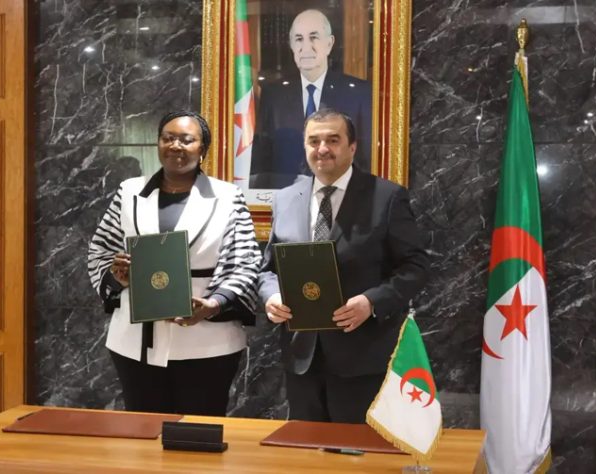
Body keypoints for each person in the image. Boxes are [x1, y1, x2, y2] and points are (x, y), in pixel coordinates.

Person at [258, 108, 429, 423]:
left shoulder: (387, 196)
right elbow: (268, 268)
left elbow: (415, 266)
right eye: (314, 141)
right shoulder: (285, 199)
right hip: (301, 357)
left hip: (362, 356)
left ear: (352, 147)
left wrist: (371, 302)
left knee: (356, 449)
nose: (322, 149)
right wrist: (272, 296)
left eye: (333, 140)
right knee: (306, 446)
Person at [88, 111, 261, 416]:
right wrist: (117, 277)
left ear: (202, 148)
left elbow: (245, 261)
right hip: (134, 341)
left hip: (207, 340)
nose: (175, 146)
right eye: (168, 138)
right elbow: (100, 250)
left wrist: (214, 304)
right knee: (143, 432)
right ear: (158, 143)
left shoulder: (228, 196)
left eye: (186, 139)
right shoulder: (129, 192)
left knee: (198, 431)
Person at [249, 9, 372, 189]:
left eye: (314, 37)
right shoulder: (274, 95)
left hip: (343, 196)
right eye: (299, 39)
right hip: (285, 195)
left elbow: (365, 158)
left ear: (329, 44)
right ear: (291, 45)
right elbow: (264, 157)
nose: (306, 47)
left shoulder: (358, 93)